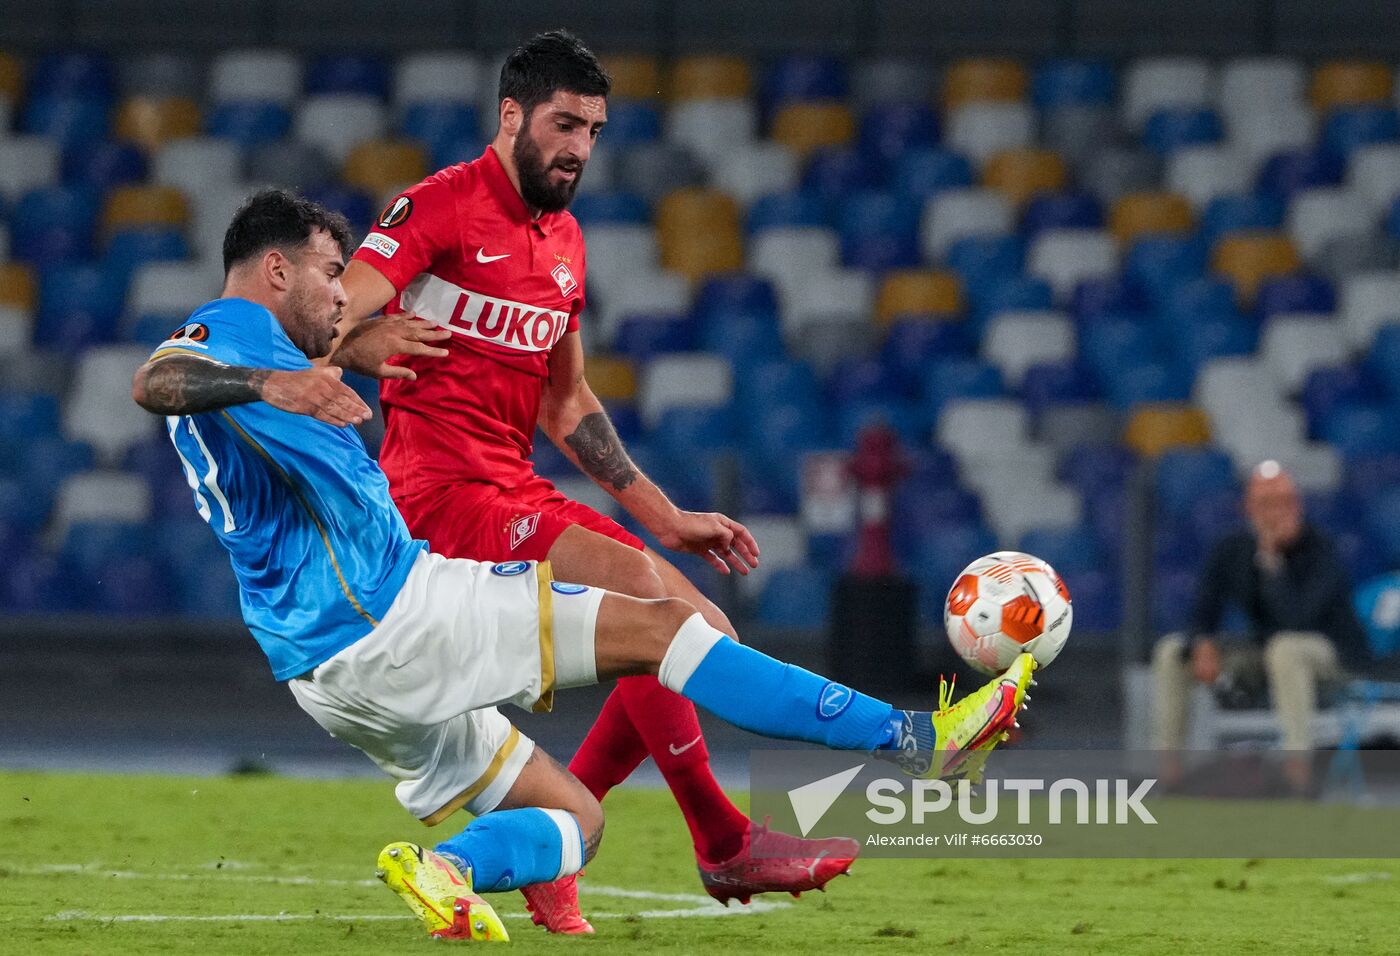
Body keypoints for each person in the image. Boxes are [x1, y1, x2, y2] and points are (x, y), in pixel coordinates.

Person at [130, 188, 1034, 942]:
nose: (343, 295)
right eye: (332, 275)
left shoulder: (281, 350)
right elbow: (156, 378)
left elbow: (541, 394)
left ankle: (445, 870)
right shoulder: (234, 332)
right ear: (276, 269)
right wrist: (273, 381)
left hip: (325, 673)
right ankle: (917, 740)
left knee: (578, 822)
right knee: (665, 624)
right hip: (394, 612)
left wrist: (318, 364)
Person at [323, 30, 844, 930]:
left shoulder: (564, 243)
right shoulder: (436, 207)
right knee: (655, 607)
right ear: (512, 115)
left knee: (696, 632)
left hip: (512, 492)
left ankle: (555, 844)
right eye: (565, 124)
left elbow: (565, 404)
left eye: (595, 131)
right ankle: (721, 842)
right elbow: (322, 314)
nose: (578, 149)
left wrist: (665, 514)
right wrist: (359, 341)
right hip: (433, 500)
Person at [1151, 460, 1368, 789]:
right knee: (1171, 651)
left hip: (1332, 653)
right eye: (1265, 504)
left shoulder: (1322, 549)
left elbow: (1296, 620)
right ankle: (1168, 771)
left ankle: (1298, 770)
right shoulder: (1232, 549)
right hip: (1264, 653)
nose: (1274, 513)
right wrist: (1202, 642)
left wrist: (1271, 565)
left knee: (1286, 649)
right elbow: (1202, 611)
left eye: (1283, 503)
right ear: (1248, 508)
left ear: (1297, 505)